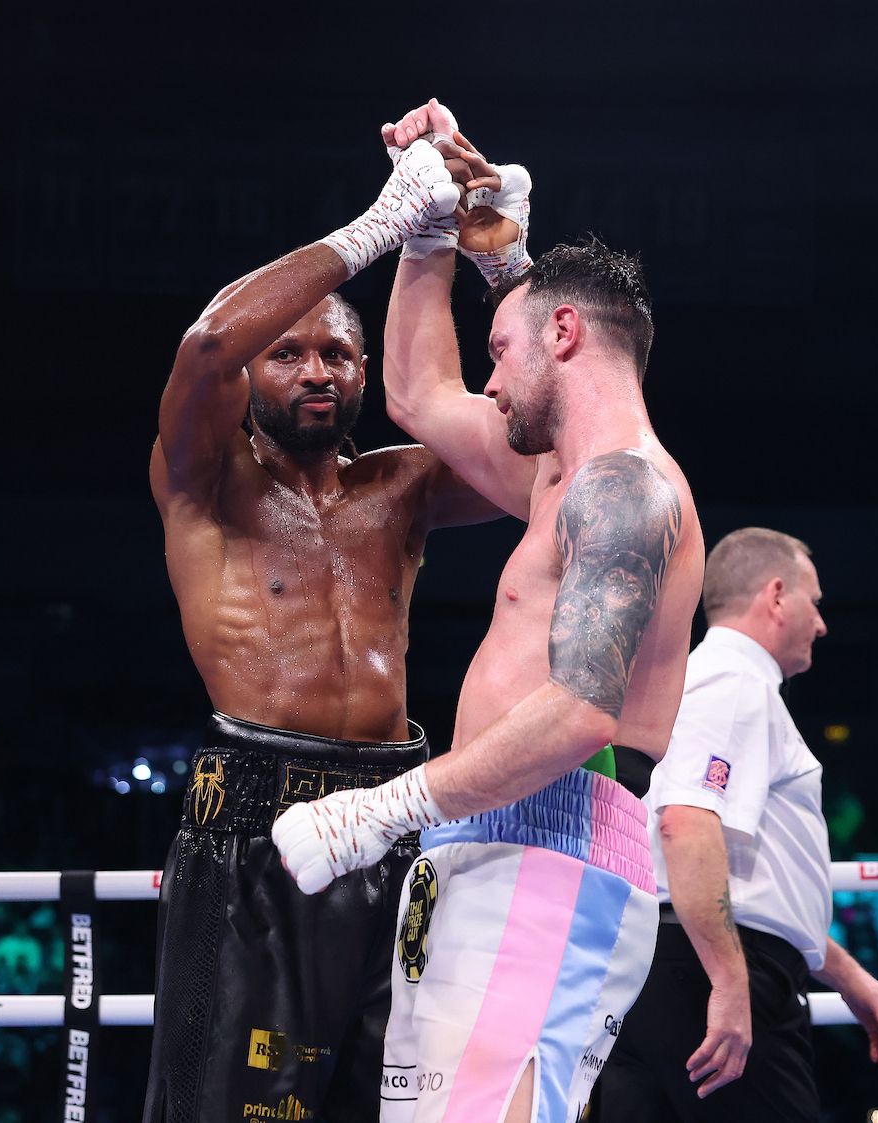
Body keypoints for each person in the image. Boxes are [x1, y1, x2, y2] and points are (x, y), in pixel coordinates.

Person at [274, 101, 706, 1123]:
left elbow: (585, 712)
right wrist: (432, 225)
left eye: (503, 350)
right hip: (490, 841)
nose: (492, 379)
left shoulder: (627, 491)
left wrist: (375, 809)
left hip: (556, 841)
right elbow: (420, 395)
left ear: (564, 333)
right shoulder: (564, 482)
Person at [142, 135, 502, 1123]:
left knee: (396, 1104)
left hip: (399, 816)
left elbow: (538, 439)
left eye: (337, 352)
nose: (314, 369)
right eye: (289, 352)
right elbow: (208, 343)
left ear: (364, 371)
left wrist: (477, 228)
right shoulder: (202, 485)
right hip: (253, 822)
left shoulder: (402, 488)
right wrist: (383, 227)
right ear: (254, 376)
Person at [594, 527, 878, 1121]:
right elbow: (685, 824)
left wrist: (843, 974)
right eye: (814, 602)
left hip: (678, 958)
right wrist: (730, 981)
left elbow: (755, 882)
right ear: (775, 596)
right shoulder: (737, 684)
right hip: (712, 965)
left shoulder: (712, 683)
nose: (820, 624)